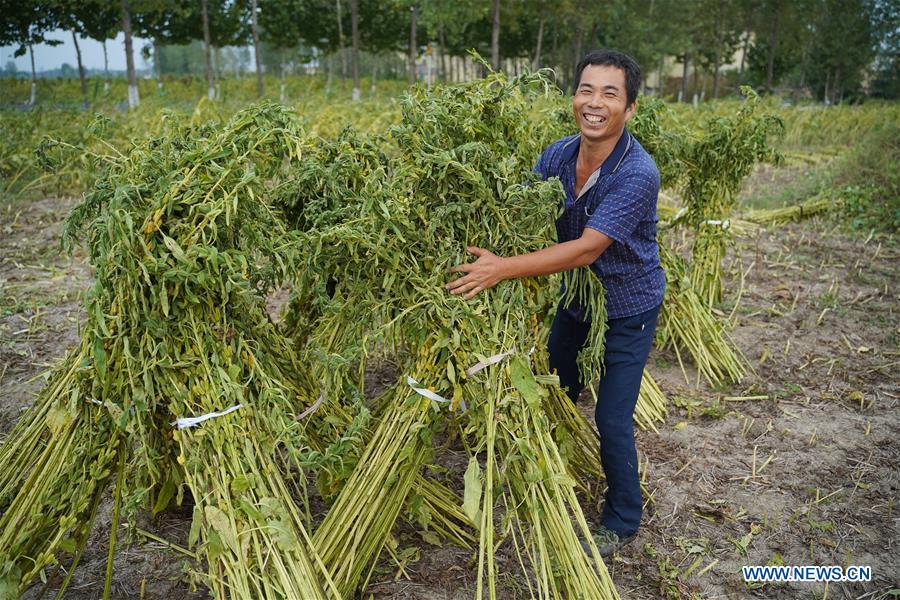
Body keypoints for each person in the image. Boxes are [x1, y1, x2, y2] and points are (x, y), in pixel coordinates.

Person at [445, 49, 665, 557]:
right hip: (577, 299)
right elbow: (523, 209)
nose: (595, 102)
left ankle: (623, 518)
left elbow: (588, 247)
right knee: (557, 388)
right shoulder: (558, 155)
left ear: (629, 109)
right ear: (574, 97)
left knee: (611, 417)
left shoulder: (638, 172)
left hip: (626, 308)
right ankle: (550, 471)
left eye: (610, 93)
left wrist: (501, 268)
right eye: (586, 89)